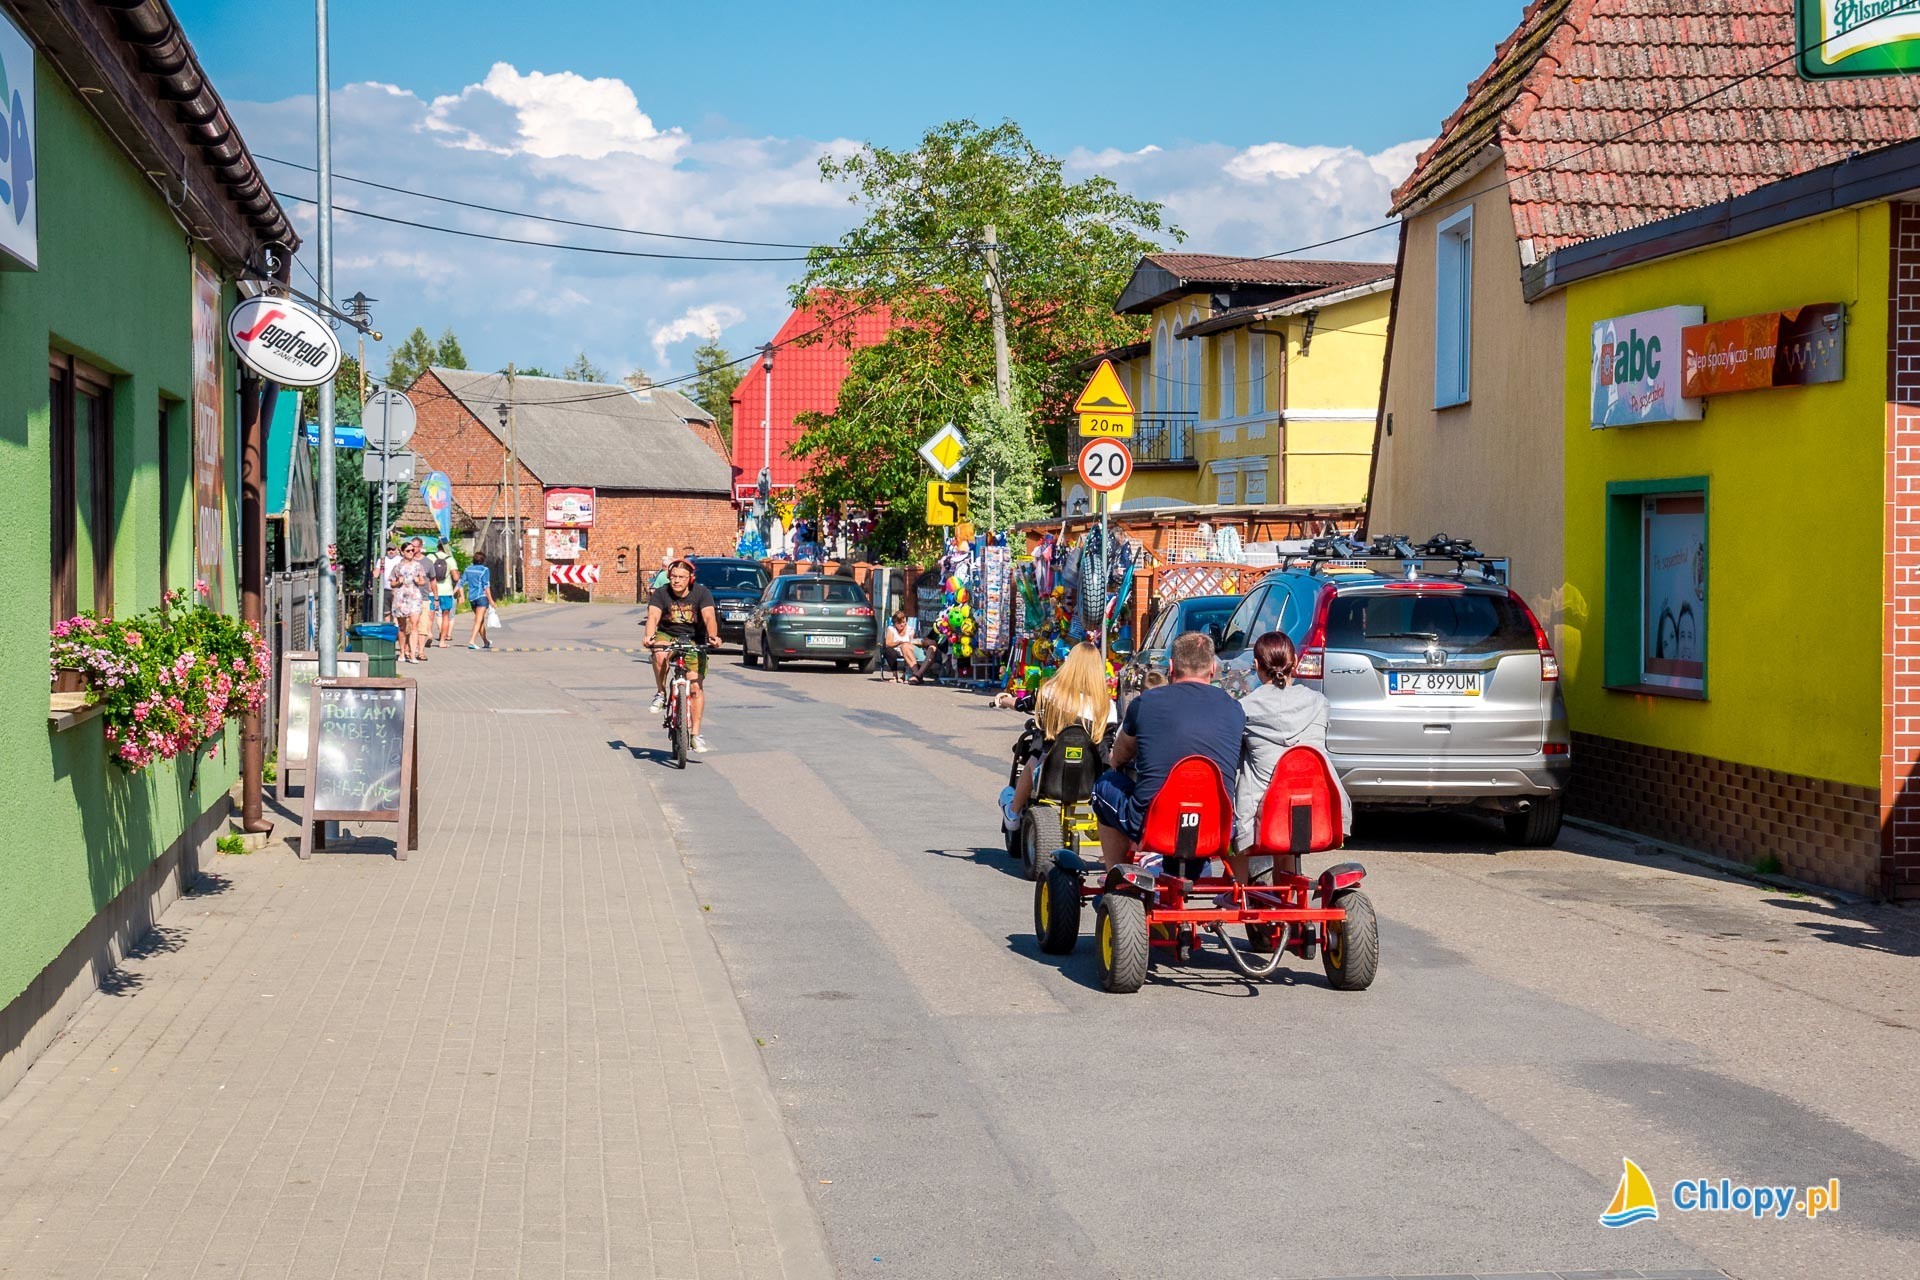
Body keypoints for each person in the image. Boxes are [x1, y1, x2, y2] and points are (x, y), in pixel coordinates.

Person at [1091, 631, 1244, 868]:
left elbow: (1119, 756)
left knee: (1104, 785)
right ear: (1212, 668)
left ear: (1171, 667)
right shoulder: (1235, 709)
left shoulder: (1145, 703)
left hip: (1154, 823)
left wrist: (1115, 764)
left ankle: (1116, 875)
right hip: (1216, 824)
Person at [1231, 632, 1345, 879]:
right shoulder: (1319, 703)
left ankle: (1239, 890)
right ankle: (1287, 894)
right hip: (1316, 812)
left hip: (1262, 816)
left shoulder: (1244, 708)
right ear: (1294, 661)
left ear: (1257, 666)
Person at [1000, 641, 1113, 831]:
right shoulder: (1106, 705)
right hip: (1090, 775)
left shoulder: (1051, 693)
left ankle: (1013, 811)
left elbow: (1022, 704)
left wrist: (1002, 700)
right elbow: (1108, 742)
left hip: (1051, 771)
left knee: (1033, 760)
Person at [646, 558, 721, 752]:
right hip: (667, 634)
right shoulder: (662, 594)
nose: (677, 581)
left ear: (691, 578)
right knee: (660, 654)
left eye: (681, 577)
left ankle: (695, 734)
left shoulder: (702, 593)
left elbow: (709, 616)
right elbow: (653, 616)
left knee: (695, 687)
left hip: (694, 638)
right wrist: (648, 636)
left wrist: (713, 635)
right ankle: (661, 693)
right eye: (673, 577)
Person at [387, 539, 432, 663]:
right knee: (402, 627)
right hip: (401, 598)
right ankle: (402, 652)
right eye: (408, 551)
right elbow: (392, 583)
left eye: (413, 550)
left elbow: (423, 581)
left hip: (414, 597)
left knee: (414, 626)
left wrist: (419, 581)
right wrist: (398, 582)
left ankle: (412, 654)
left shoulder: (418, 566)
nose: (411, 552)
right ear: (402, 552)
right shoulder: (397, 567)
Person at [462, 550, 496, 649]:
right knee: (478, 620)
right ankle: (472, 641)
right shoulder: (484, 570)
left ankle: (486, 641)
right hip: (481, 597)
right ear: (483, 560)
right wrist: (491, 600)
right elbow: (486, 587)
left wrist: (459, 594)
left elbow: (461, 582)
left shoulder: (468, 569)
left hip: (472, 597)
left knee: (480, 621)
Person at [429, 542, 459, 648]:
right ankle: (442, 641)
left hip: (432, 590)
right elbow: (456, 578)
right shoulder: (450, 559)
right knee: (445, 615)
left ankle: (429, 634)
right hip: (446, 591)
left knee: (430, 615)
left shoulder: (430, 557)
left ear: (437, 547)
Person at [883, 611, 926, 683]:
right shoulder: (891, 629)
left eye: (903, 622)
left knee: (907, 650)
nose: (902, 625)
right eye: (899, 623)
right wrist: (900, 642)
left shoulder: (910, 630)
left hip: (906, 650)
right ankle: (894, 676)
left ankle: (904, 676)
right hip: (895, 650)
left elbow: (912, 643)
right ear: (894, 623)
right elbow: (888, 643)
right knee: (888, 650)